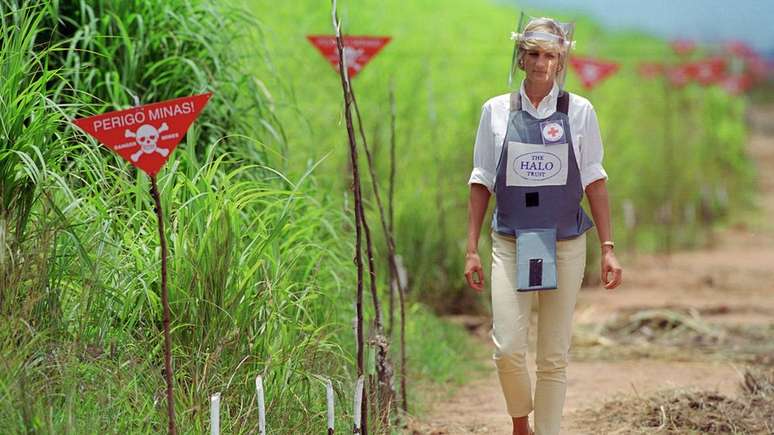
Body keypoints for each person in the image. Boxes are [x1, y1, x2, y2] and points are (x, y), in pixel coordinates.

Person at [463, 17, 623, 435]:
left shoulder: (580, 112)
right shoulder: (495, 111)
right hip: (511, 241)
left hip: (565, 242)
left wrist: (607, 246)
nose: (540, 63)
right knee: (507, 348)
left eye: (549, 55)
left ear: (561, 60)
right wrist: (470, 249)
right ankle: (521, 421)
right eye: (532, 54)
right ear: (521, 58)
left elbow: (595, 180)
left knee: (553, 355)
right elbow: (481, 181)